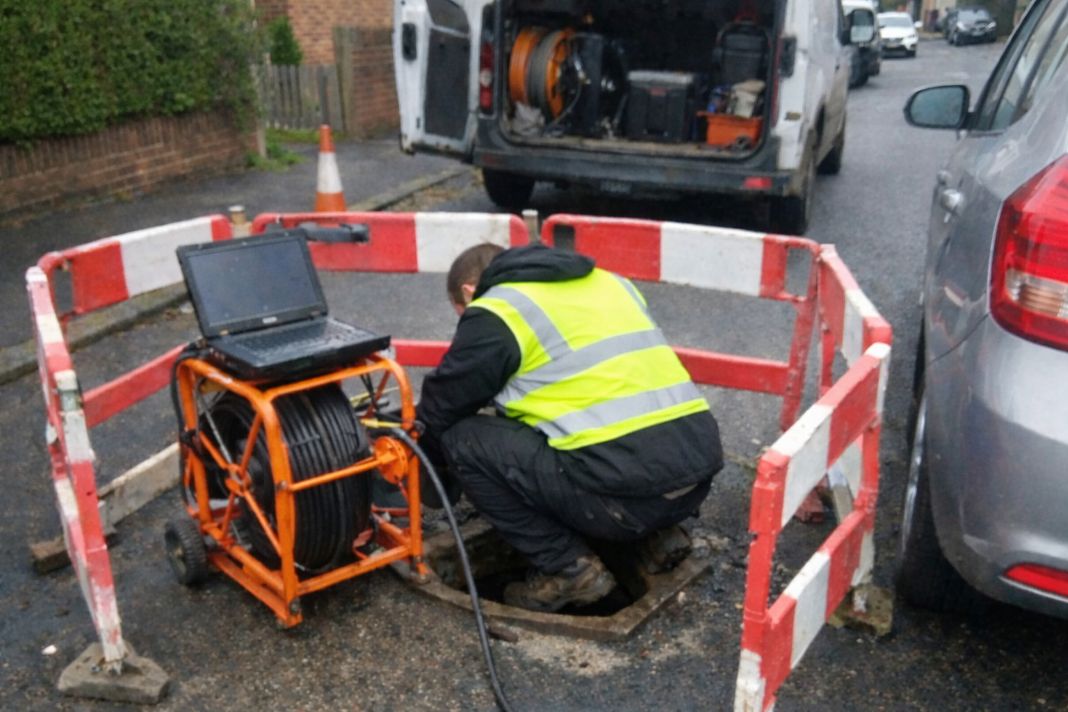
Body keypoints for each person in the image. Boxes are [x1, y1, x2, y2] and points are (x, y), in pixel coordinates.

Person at [416, 242, 723, 612]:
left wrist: (428, 469)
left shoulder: (498, 309)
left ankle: (569, 570)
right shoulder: (608, 283)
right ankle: (655, 540)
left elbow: (442, 406)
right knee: (588, 435)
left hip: (620, 506)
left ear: (469, 292)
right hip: (693, 480)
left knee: (463, 440)